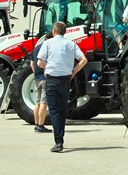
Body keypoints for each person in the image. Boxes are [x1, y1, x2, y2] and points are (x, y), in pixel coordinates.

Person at [37, 21, 88, 153]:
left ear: (54, 31)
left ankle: (58, 141)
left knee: (54, 111)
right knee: (62, 110)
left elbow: (39, 62)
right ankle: (60, 138)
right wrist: (73, 71)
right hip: (66, 80)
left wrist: (48, 66)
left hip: (52, 80)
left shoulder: (47, 43)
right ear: (65, 32)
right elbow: (84, 60)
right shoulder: (71, 44)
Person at [30, 32, 53, 133]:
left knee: (38, 102)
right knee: (44, 103)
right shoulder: (48, 48)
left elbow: (31, 63)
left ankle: (36, 124)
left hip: (37, 78)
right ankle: (41, 125)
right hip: (44, 78)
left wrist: (35, 73)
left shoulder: (36, 48)